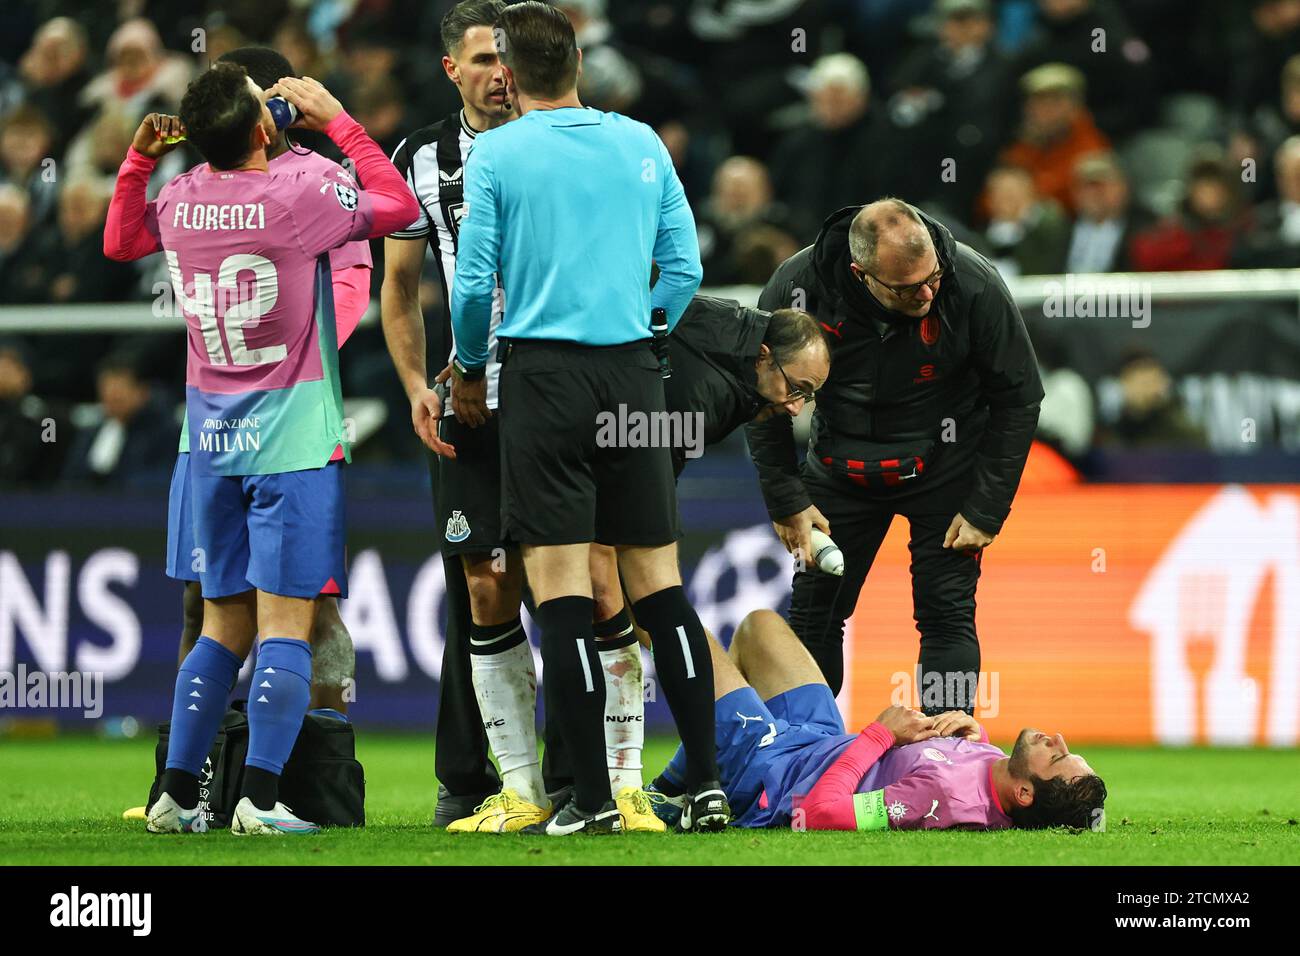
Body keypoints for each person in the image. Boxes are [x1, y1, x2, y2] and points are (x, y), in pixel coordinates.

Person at [104, 62, 418, 835]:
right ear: (260, 128)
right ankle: (264, 802)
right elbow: (399, 204)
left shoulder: (178, 199)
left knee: (221, 626)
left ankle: (176, 796)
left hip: (209, 440)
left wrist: (140, 158)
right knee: (287, 626)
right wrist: (338, 119)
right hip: (291, 440)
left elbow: (119, 240)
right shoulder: (296, 196)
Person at [448, 2, 716, 835]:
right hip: (636, 372)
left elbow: (470, 284)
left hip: (545, 379)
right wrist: (647, 331)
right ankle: (704, 785)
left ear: (513, 72)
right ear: (577, 62)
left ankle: (591, 802)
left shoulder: (495, 152)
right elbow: (685, 269)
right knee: (659, 586)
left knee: (561, 592)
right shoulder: (641, 142)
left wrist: (464, 364)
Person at [747, 198, 1044, 710]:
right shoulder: (797, 288)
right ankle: (800, 754)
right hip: (839, 469)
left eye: (933, 278)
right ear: (862, 275)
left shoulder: (973, 282)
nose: (928, 294)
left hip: (946, 467)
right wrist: (786, 498)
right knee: (816, 610)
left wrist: (985, 509)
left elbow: (1019, 399)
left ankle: (947, 759)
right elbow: (758, 395)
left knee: (946, 612)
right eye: (908, 288)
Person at [650, 610, 1108, 832]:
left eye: (1058, 756)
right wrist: (974, 737)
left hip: (773, 771)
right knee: (760, 627)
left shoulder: (940, 799)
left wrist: (881, 733)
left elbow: (818, 812)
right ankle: (681, 780)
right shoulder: (1000, 769)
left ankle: (700, 779)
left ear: (1025, 793)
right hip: (819, 741)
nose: (1057, 740)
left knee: (669, 622)